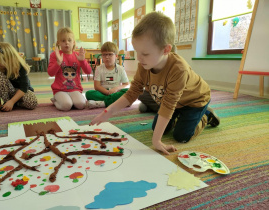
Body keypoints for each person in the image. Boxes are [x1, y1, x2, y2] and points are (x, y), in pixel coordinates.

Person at [89, 12, 220, 155]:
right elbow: (132, 92)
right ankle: (182, 118)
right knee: (156, 128)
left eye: (145, 54)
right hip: (174, 102)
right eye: (137, 52)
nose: (139, 58)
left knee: (181, 137)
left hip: (195, 101)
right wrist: (108, 112)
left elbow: (169, 104)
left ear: (166, 50)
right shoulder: (144, 65)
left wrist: (156, 141)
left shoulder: (179, 69)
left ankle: (206, 115)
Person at [48, 27, 92, 111]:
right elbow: (50, 73)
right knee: (66, 105)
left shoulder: (78, 55)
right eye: (63, 41)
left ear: (74, 42)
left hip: (75, 89)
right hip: (59, 90)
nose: (67, 43)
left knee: (81, 104)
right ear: (58, 43)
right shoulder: (55, 55)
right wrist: (58, 63)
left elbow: (88, 71)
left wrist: (82, 61)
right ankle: (55, 100)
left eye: (69, 40)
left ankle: (68, 99)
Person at [0, 42, 38, 112]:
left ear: (9, 59)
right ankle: (8, 102)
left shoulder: (20, 66)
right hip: (9, 94)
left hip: (21, 93)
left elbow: (24, 87)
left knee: (32, 102)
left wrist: (12, 101)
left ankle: (14, 103)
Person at [85, 42, 129, 109]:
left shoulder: (121, 69)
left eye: (110, 54)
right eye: (104, 55)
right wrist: (107, 92)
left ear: (116, 56)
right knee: (89, 93)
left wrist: (115, 89)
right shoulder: (99, 68)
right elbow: (97, 86)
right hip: (103, 92)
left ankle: (103, 103)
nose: (107, 57)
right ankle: (115, 102)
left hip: (116, 93)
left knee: (128, 91)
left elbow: (126, 84)